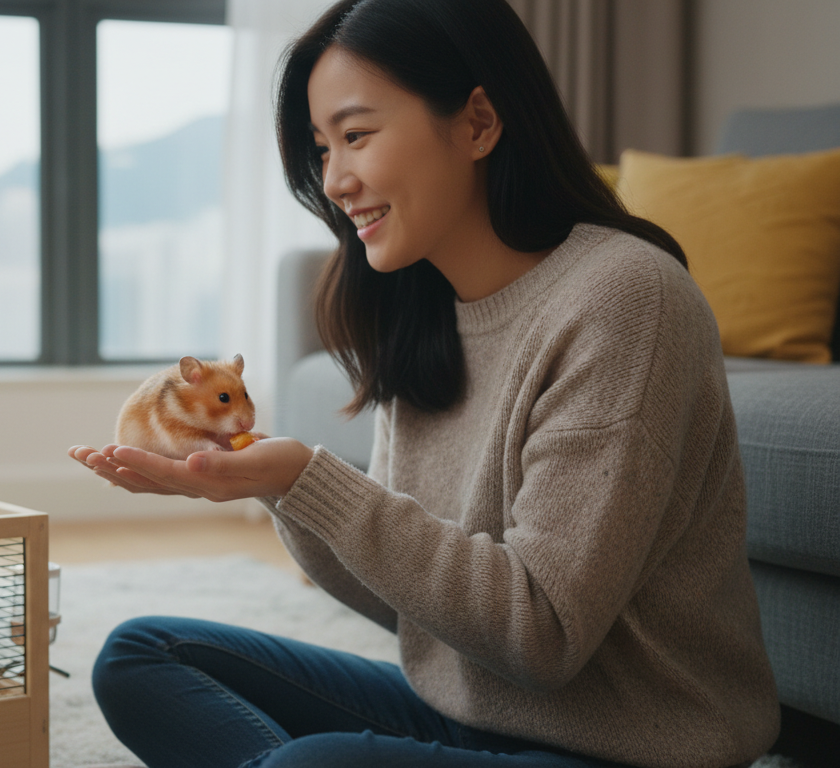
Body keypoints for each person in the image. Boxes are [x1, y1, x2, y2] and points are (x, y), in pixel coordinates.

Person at [67, 0, 780, 765]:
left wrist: (311, 477)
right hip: (472, 715)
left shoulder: (626, 298)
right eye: (320, 148)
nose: (334, 180)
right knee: (142, 655)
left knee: (314, 763)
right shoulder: (423, 312)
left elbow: (541, 636)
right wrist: (277, 484)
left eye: (356, 135)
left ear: (477, 123)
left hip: (629, 745)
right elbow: (407, 606)